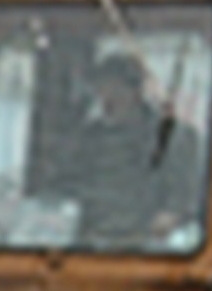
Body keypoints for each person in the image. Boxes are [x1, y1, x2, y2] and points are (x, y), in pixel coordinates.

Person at [67, 53, 201, 245]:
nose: (107, 99)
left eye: (116, 91)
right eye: (102, 91)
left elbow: (185, 200)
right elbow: (68, 186)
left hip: (145, 246)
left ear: (136, 92)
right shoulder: (87, 138)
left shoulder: (172, 138)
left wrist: (171, 216)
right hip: (90, 243)